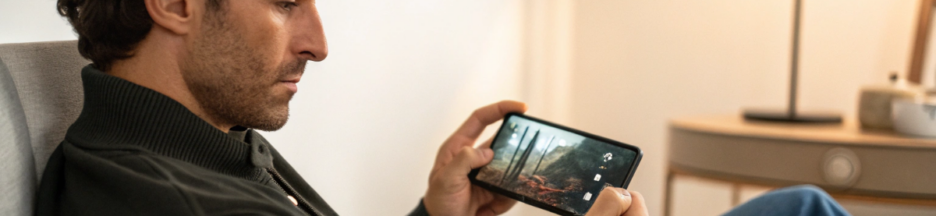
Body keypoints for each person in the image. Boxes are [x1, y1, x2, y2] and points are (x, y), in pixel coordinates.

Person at [35, 0, 848, 215]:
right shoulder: (170, 196)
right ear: (173, 3)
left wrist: (436, 213)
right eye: (287, 1)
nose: (319, 42)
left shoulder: (193, 141)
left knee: (800, 204)